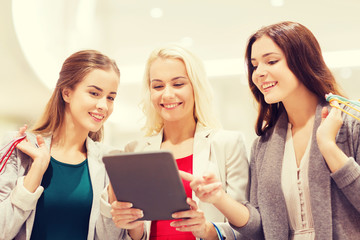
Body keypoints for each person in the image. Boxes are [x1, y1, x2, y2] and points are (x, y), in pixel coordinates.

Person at [183, 21, 360, 240]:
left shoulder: (351, 125)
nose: (259, 73)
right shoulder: (263, 145)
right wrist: (219, 197)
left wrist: (328, 147)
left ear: (302, 60)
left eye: (271, 61)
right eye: (255, 65)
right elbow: (260, 229)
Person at [108, 45, 250, 240]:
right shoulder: (135, 150)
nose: (167, 95)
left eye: (178, 84)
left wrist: (206, 229)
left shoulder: (228, 144)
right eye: (158, 86)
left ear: (195, 87)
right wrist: (133, 225)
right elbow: (135, 234)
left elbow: (246, 229)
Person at [0, 50, 131, 240]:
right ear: (67, 92)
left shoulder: (109, 162)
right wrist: (35, 172)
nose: (103, 105)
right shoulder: (20, 148)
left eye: (110, 97)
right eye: (94, 93)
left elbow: (112, 237)